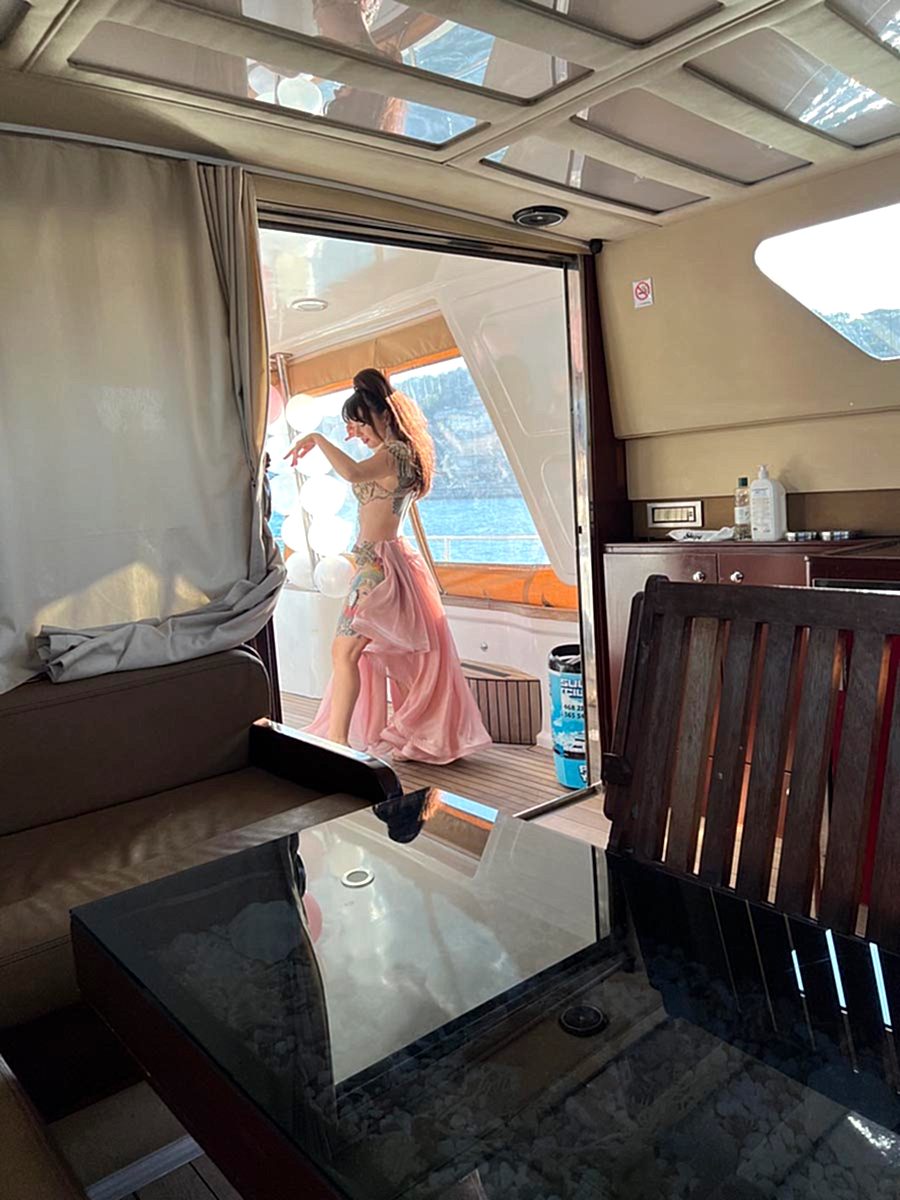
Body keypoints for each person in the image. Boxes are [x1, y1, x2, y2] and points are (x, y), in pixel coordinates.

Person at [284, 368, 491, 764]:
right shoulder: (398, 454)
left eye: (361, 424)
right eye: (353, 426)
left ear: (382, 415)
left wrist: (317, 438)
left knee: (344, 652)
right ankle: (342, 739)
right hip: (377, 562)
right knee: (353, 655)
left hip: (376, 568)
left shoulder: (395, 454)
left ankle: (338, 742)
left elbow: (352, 473)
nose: (357, 434)